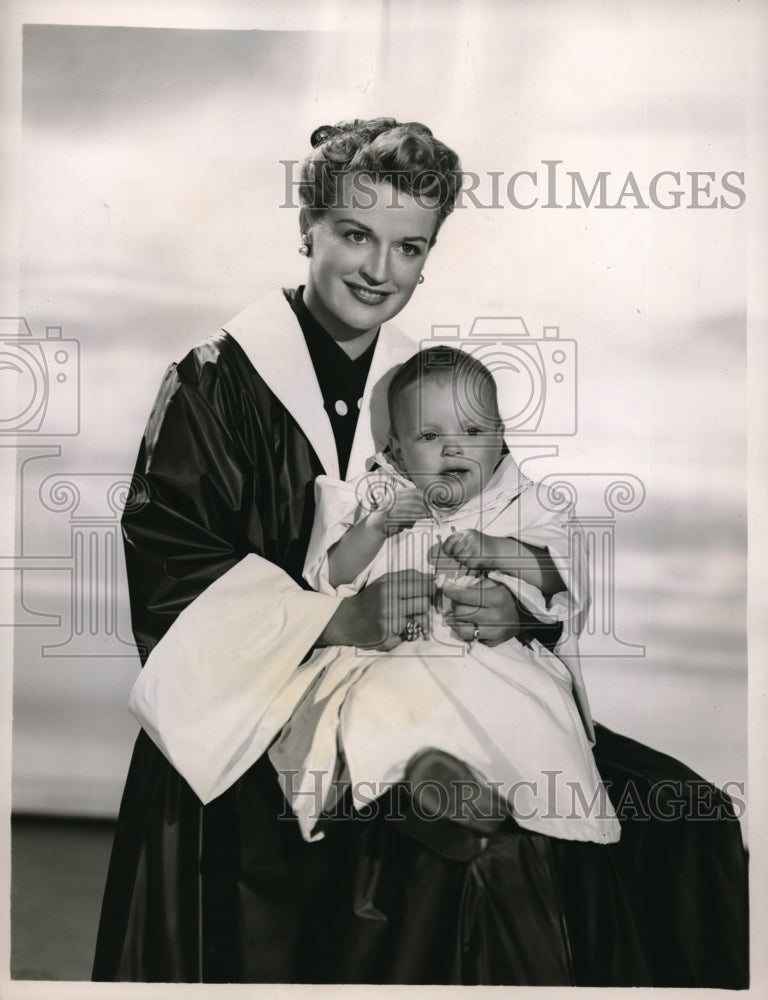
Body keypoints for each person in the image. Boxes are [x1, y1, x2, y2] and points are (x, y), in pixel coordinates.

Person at [93, 117, 748, 986]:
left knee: (690, 817)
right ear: (307, 229)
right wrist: (336, 617)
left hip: (448, 676)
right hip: (261, 713)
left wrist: (515, 607)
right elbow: (170, 575)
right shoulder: (216, 382)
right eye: (355, 236)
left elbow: (513, 515)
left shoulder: (429, 385)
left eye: (409, 247)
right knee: (480, 857)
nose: (377, 270)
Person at [269, 345, 620, 848]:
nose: (454, 449)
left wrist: (501, 551)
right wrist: (374, 530)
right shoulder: (376, 496)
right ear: (396, 450)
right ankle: (428, 791)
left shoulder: (523, 503)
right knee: (380, 704)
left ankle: (500, 804)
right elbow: (328, 576)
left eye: (473, 433)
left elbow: (560, 571)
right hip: (391, 655)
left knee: (529, 714)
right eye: (430, 436)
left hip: (494, 660)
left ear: (500, 440)